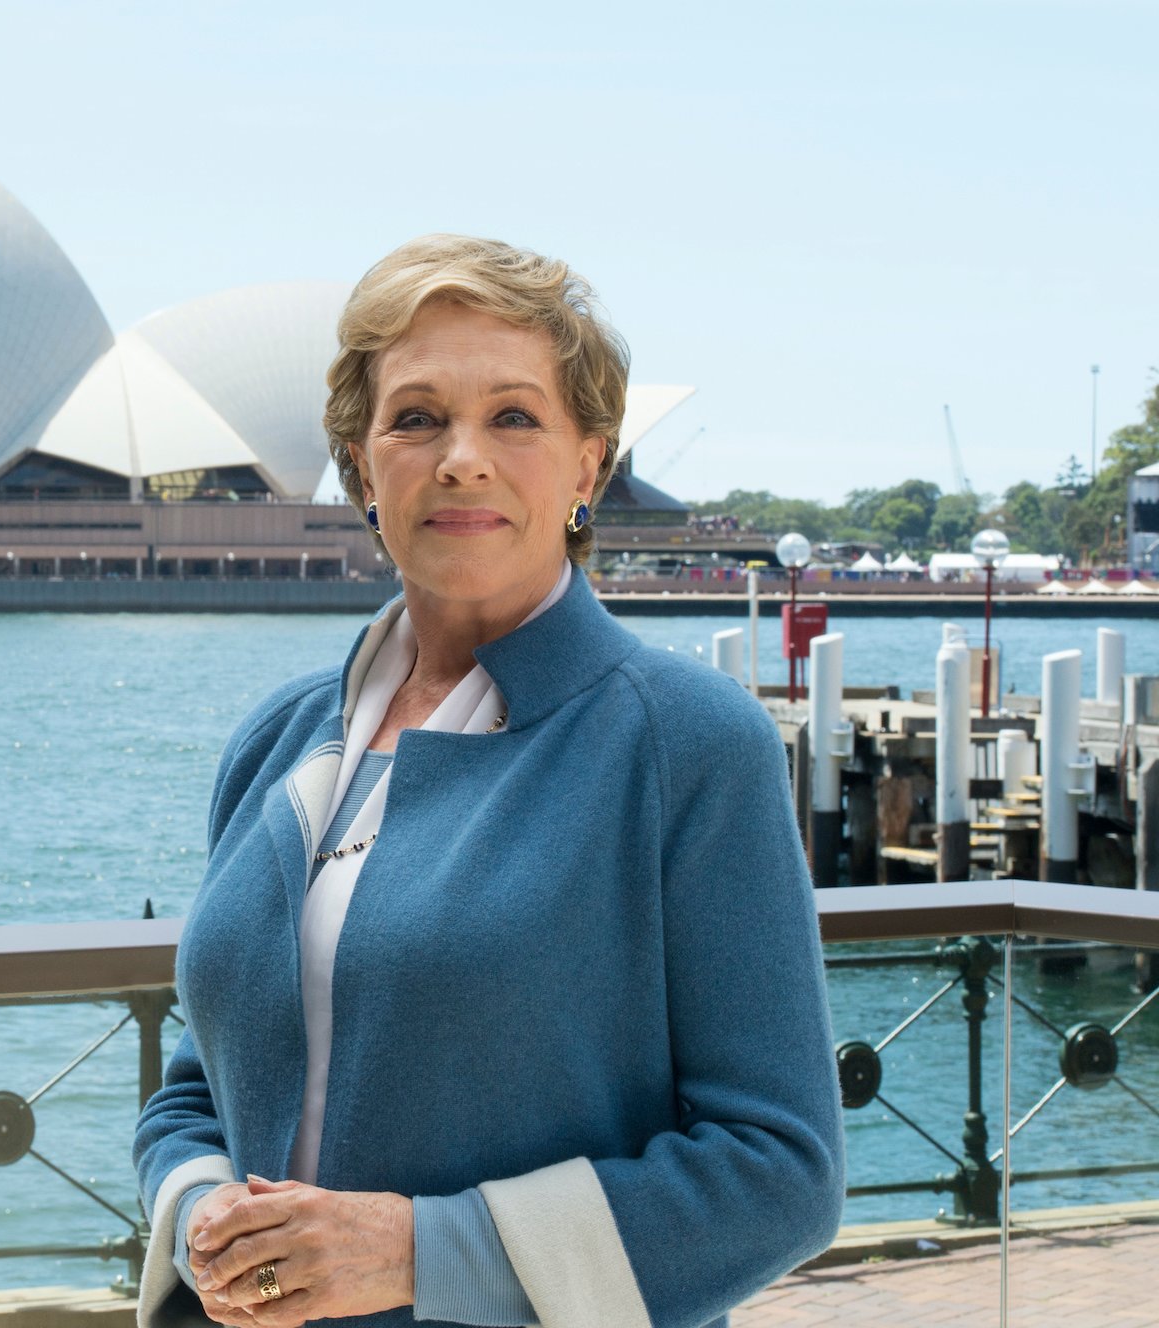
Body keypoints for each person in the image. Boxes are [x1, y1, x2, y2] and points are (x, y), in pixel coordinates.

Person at [131, 234, 844, 1328]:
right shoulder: (276, 740)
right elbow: (201, 1075)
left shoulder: (686, 746)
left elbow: (778, 1173)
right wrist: (199, 1216)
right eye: (414, 418)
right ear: (363, 469)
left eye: (512, 416)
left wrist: (418, 1250)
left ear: (585, 466)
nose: (460, 456)